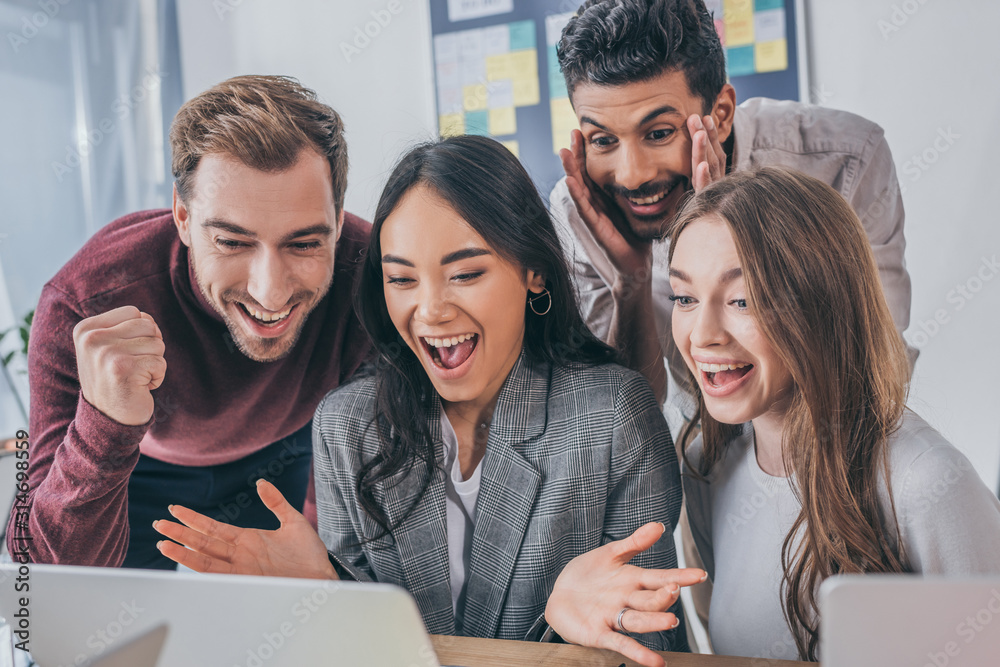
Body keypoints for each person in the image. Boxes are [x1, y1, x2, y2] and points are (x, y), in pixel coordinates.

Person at [152, 135, 704, 662]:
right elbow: (360, 648)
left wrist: (560, 626)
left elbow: (644, 651)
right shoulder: (348, 426)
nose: (431, 311)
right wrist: (328, 592)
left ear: (534, 271)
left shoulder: (612, 417)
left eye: (464, 274)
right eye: (402, 280)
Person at [547, 167, 1000, 663]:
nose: (702, 335)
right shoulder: (708, 464)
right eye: (684, 298)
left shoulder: (926, 482)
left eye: (743, 300)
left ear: (821, 305)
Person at [8, 75, 372, 569]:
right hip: (136, 466)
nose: (271, 291)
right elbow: (43, 570)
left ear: (337, 216)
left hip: (284, 454)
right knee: (98, 638)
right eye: (232, 241)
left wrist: (322, 563)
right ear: (182, 216)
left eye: (305, 243)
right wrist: (105, 421)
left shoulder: (372, 276)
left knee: (288, 630)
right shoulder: (84, 304)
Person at [551, 0, 914, 412]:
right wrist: (628, 282)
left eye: (659, 133)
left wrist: (726, 234)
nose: (632, 176)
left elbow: (878, 365)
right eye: (603, 140)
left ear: (720, 114)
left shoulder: (842, 162)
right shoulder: (582, 211)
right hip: (702, 452)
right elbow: (622, 424)